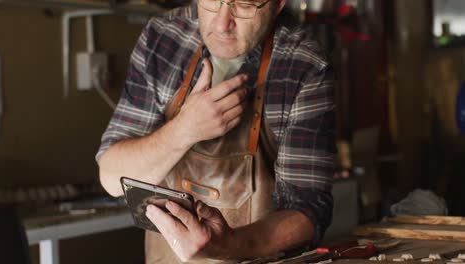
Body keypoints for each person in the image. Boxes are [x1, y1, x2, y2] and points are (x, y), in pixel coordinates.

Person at [96, 0, 336, 263]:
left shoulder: (303, 64)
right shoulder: (164, 36)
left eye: (243, 5)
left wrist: (229, 244)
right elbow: (111, 177)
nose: (223, 24)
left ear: (277, 5)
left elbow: (308, 213)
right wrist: (183, 130)